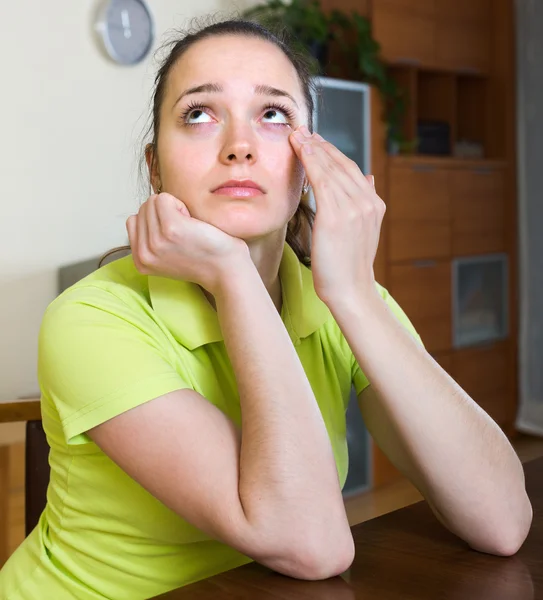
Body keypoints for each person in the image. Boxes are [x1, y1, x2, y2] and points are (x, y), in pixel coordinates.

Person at [0, 16, 532, 600]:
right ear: (155, 168)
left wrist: (355, 295)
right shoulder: (91, 319)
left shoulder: (342, 299)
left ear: (312, 163)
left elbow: (503, 522)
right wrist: (233, 275)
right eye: (200, 114)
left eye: (273, 114)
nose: (240, 146)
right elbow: (313, 544)